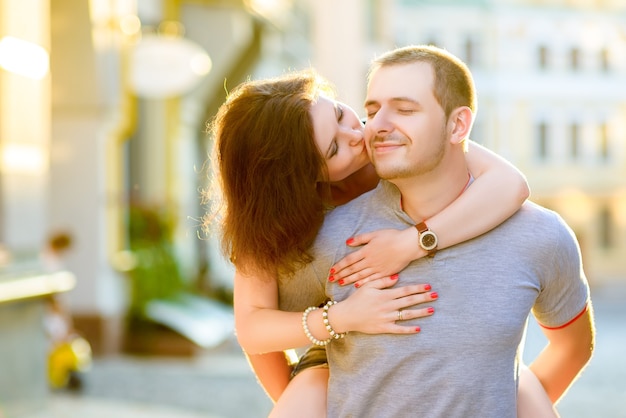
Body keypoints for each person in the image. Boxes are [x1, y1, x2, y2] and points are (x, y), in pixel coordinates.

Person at [208, 69, 555, 417]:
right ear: (300, 176)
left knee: (524, 393)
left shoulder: (394, 141)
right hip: (340, 353)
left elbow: (510, 185)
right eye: (334, 148)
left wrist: (411, 243)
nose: (357, 134)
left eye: (341, 114)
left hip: (454, 347)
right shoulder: (271, 219)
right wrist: (339, 324)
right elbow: (253, 329)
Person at [284, 45, 593, 417]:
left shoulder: (540, 235)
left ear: (458, 125)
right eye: (371, 110)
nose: (378, 125)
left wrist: (513, 402)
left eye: (405, 109)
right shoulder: (332, 236)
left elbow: (572, 348)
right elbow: (259, 327)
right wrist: (301, 396)